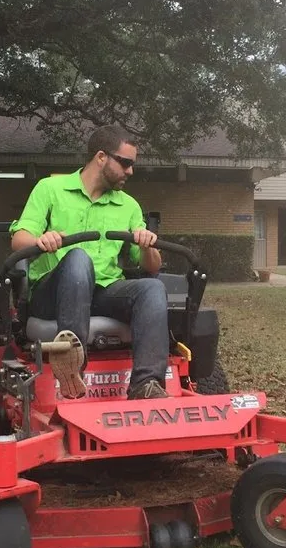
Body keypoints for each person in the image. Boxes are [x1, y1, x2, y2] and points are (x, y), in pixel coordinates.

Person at [9, 124, 170, 400]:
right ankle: (72, 370)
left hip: (103, 292)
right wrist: (41, 241)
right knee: (78, 258)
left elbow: (151, 266)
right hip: (53, 295)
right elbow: (19, 239)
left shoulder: (129, 205)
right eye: (126, 163)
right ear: (101, 157)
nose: (131, 171)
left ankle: (146, 385)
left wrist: (147, 245)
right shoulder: (50, 189)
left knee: (152, 288)